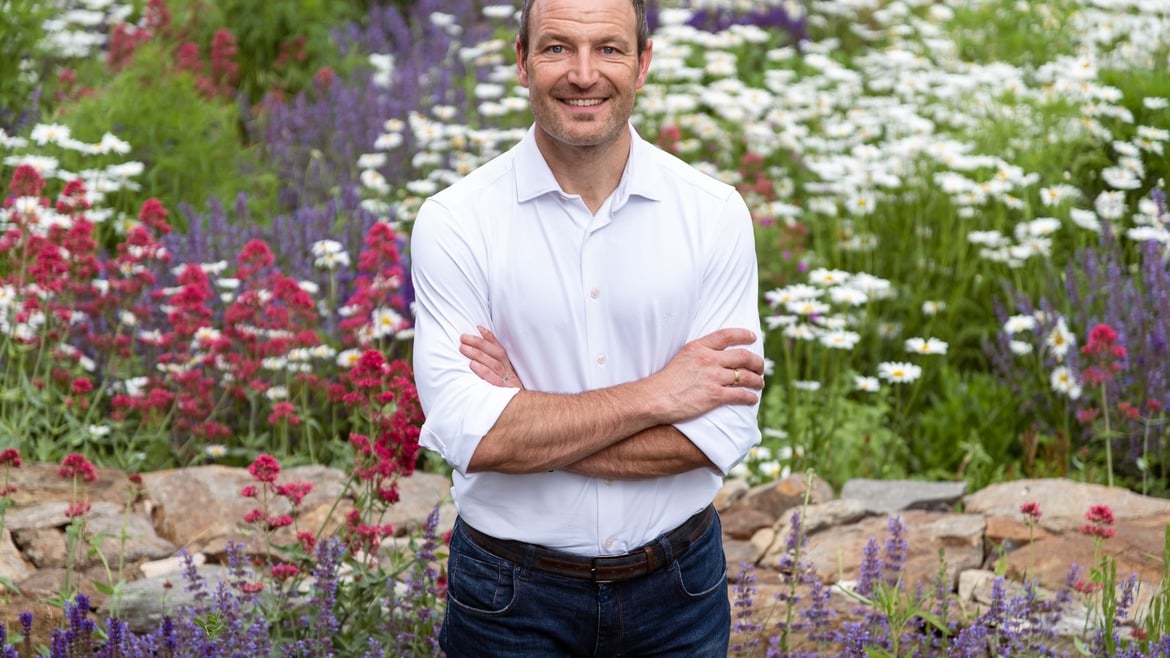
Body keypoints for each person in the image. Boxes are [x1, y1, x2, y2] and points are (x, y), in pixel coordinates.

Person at [410, 0, 765, 654]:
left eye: (608, 48)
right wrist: (659, 395)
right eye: (556, 49)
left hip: (679, 596)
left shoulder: (713, 214)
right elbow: (471, 435)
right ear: (521, 62)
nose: (582, 73)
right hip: (509, 601)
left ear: (643, 64)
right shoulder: (457, 221)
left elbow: (720, 429)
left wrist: (526, 417)